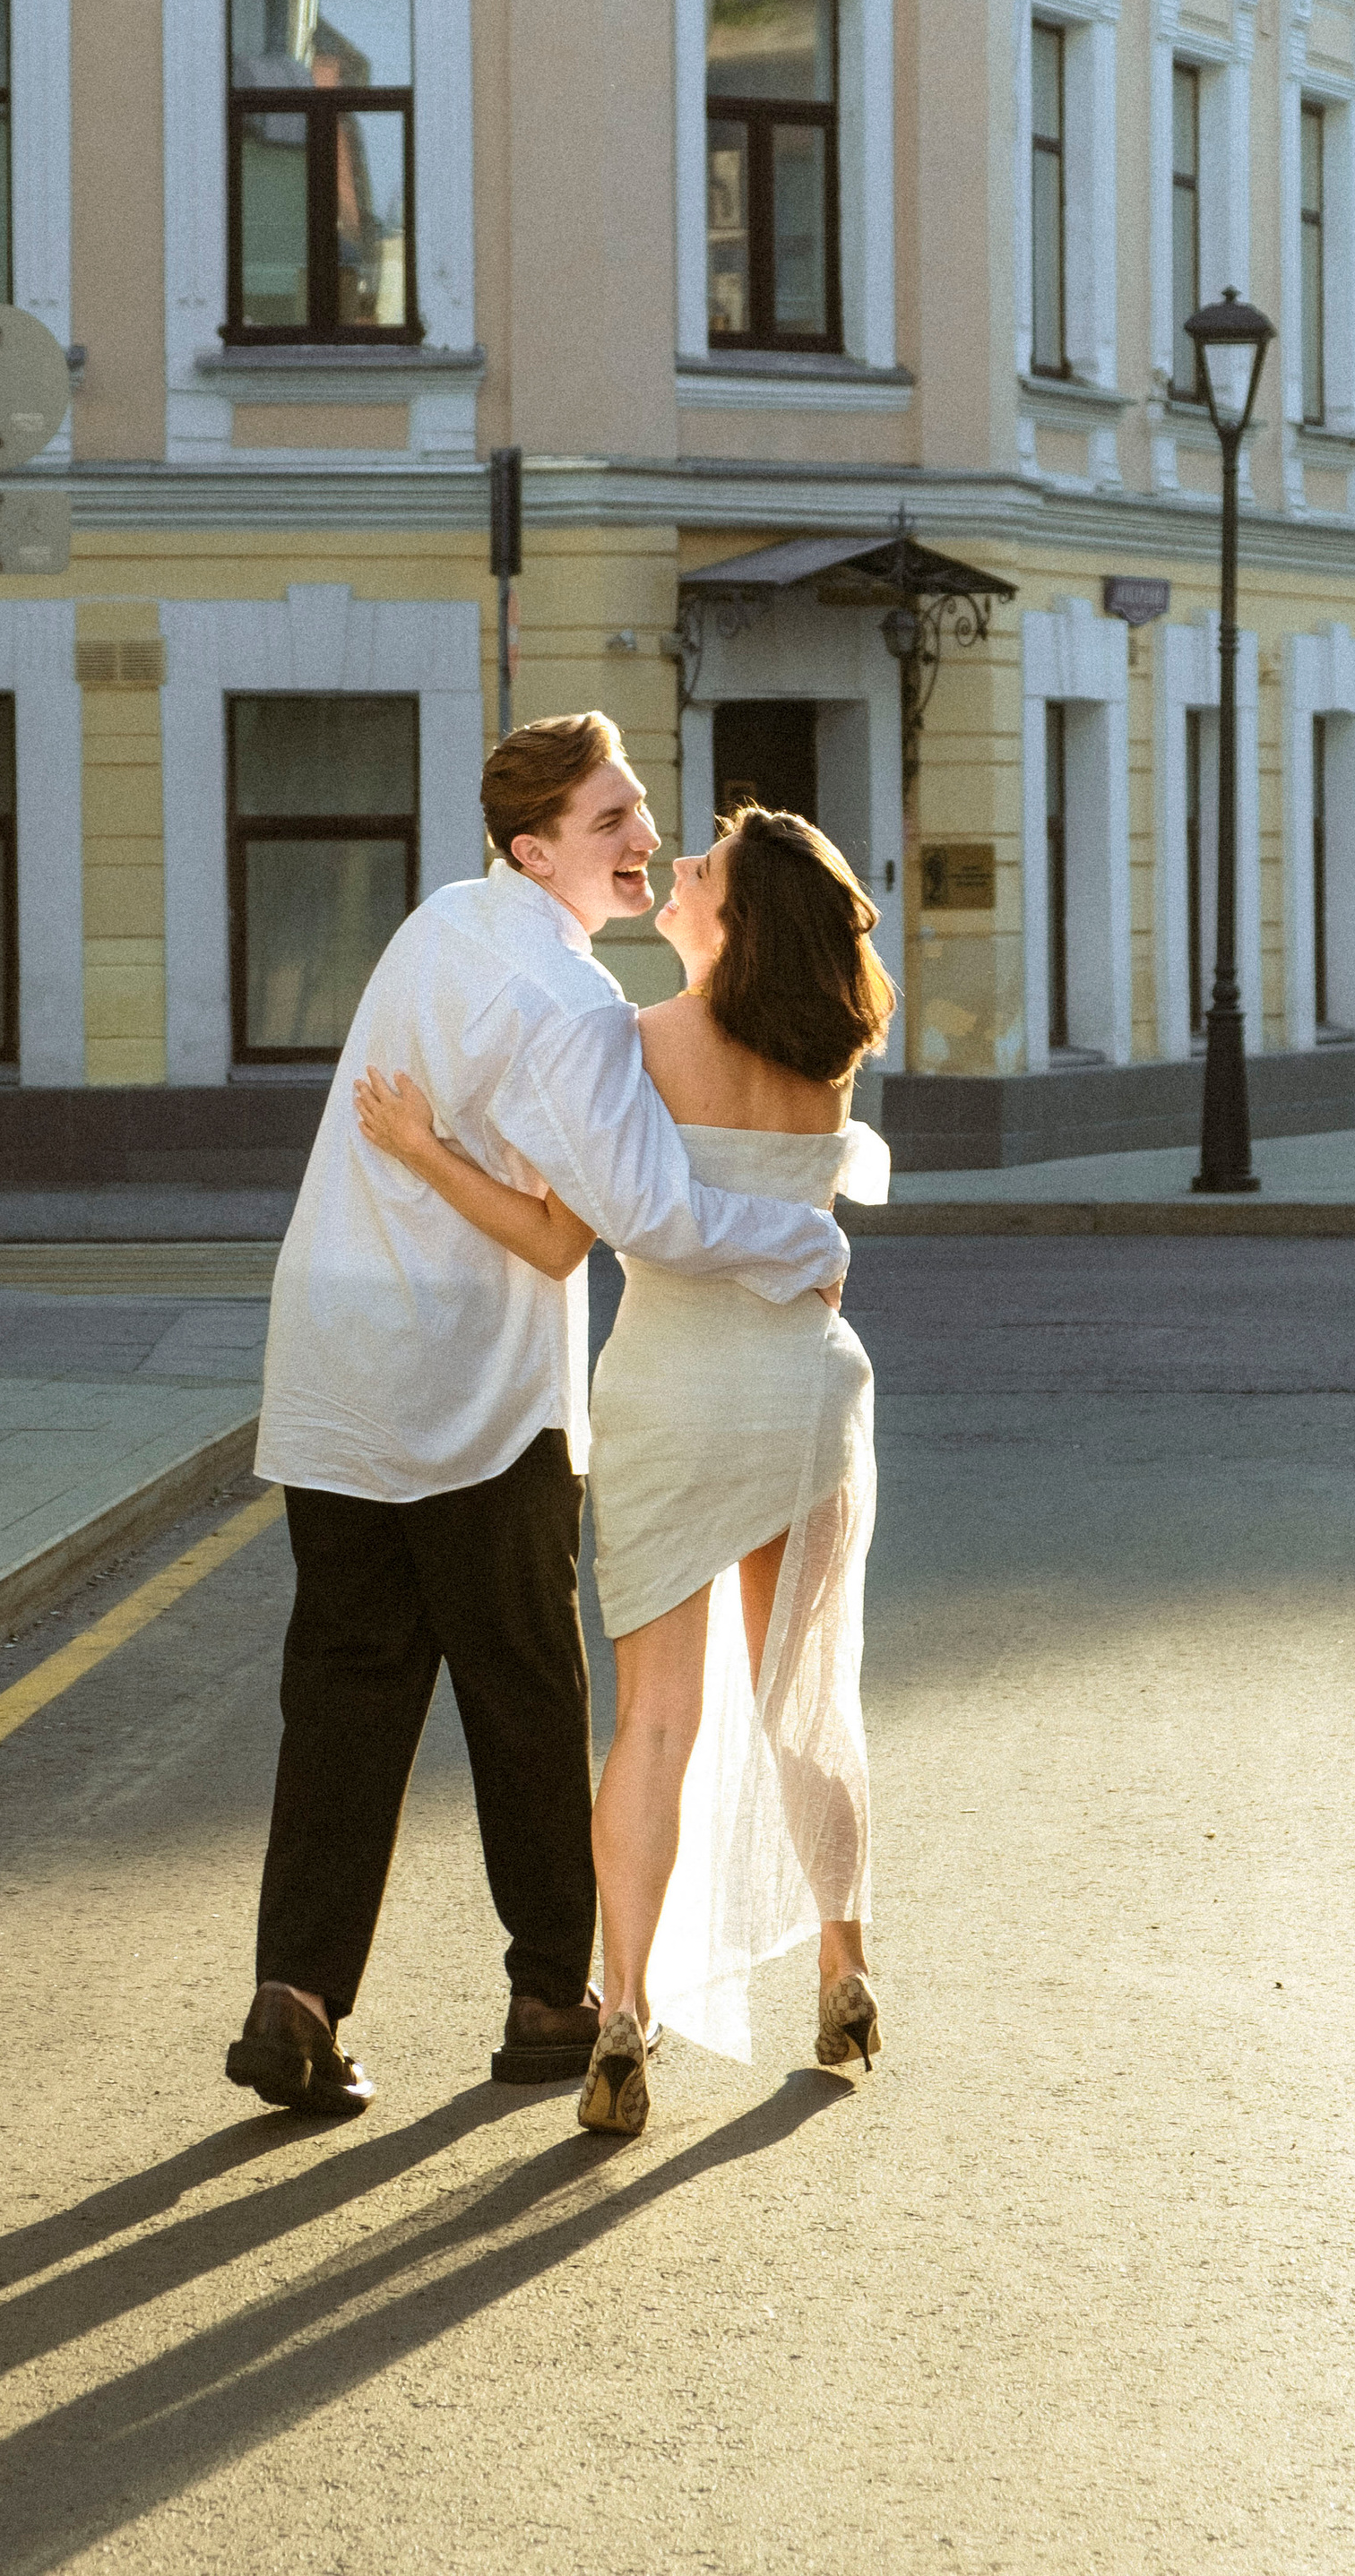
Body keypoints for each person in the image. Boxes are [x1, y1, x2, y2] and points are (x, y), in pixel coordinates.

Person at [225, 714, 848, 2124]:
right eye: (614, 820)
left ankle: (298, 1998)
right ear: (536, 847)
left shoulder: (441, 925)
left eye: (641, 812)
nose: (646, 840)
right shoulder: (570, 1012)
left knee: (341, 1689)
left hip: (329, 1361)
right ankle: (549, 1998)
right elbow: (645, 1218)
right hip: (476, 1388)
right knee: (525, 1693)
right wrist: (797, 1239)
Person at [354, 804, 893, 2140]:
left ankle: (625, 2009)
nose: (678, 874)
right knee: (808, 1702)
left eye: (701, 871)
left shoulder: (637, 1044)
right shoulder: (829, 1057)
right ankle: (846, 1968)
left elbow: (557, 1234)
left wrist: (422, 1148)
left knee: (655, 1723)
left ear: (738, 920)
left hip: (665, 1394)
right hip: (805, 1390)